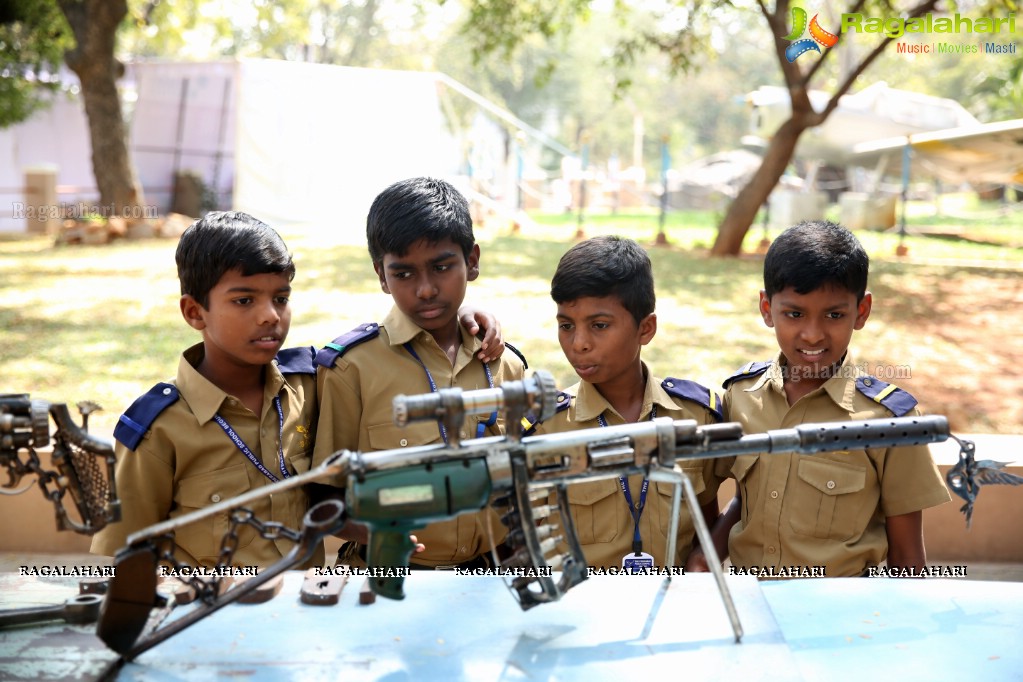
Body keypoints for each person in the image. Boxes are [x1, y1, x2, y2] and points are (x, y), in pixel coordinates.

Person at [691, 219, 950, 577]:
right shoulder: (741, 397)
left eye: (834, 315)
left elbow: (907, 556)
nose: (813, 335)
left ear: (861, 312)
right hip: (750, 600)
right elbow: (748, 498)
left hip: (841, 613)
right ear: (767, 309)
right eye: (794, 314)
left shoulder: (891, 422)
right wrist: (703, 559)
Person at [313, 176, 527, 570]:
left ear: (472, 261)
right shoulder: (352, 368)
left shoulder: (504, 363)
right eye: (404, 273)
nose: (426, 289)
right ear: (381, 274)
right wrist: (374, 533)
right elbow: (325, 498)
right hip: (389, 575)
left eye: (442, 267)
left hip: (492, 575)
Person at [90, 211, 323, 568]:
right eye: (244, 300)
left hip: (306, 606)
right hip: (209, 613)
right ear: (195, 313)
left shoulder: (306, 390)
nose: (270, 316)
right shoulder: (159, 429)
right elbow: (125, 554)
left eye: (280, 298)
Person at [530, 235, 722, 571]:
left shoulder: (696, 416)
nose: (579, 344)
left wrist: (702, 560)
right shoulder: (547, 428)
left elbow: (707, 514)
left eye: (599, 325)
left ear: (645, 329)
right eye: (566, 325)